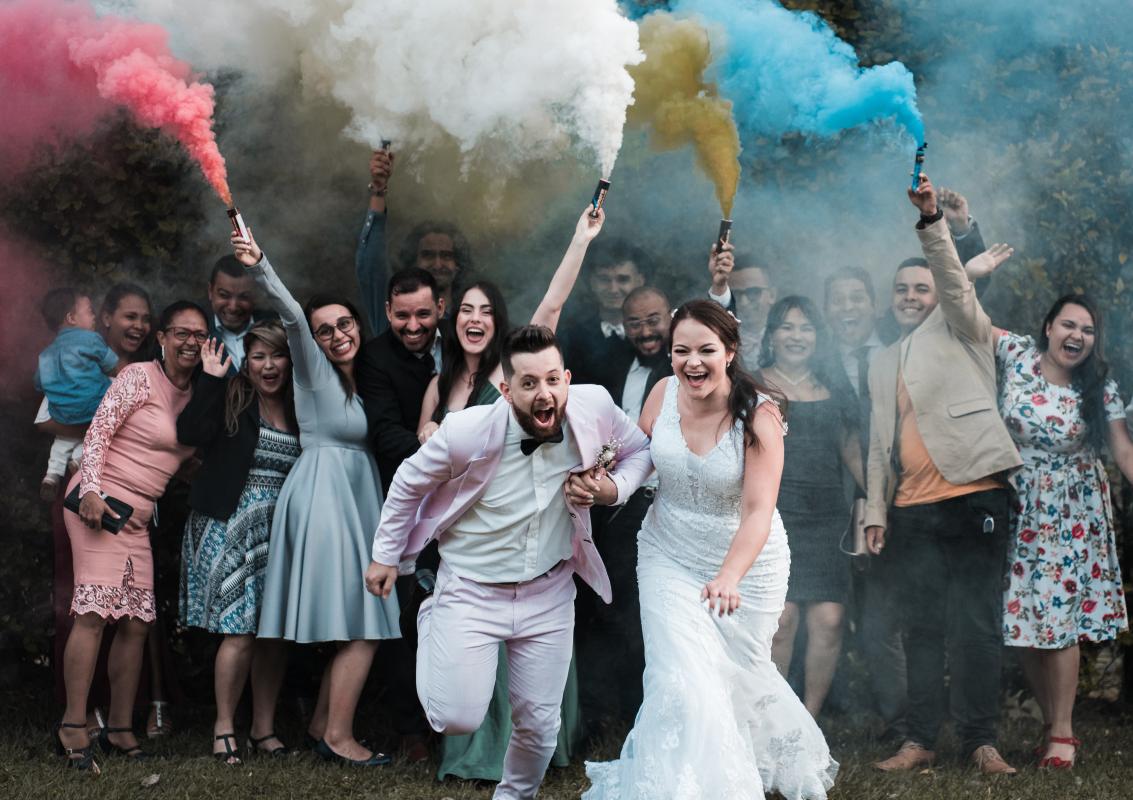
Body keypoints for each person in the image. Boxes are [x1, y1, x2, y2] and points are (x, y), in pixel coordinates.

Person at [366, 324, 653, 800]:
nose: (545, 394)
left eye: (552, 380)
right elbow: (408, 482)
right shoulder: (467, 431)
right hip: (471, 592)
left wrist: (611, 489)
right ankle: (432, 615)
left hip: (551, 591)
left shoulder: (594, 408)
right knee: (456, 717)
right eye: (528, 383)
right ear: (506, 389)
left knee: (540, 723)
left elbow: (640, 452)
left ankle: (515, 796)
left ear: (566, 377)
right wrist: (385, 555)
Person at [581, 299, 836, 799]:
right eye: (681, 351)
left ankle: (746, 767)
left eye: (706, 350)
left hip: (745, 564)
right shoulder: (662, 393)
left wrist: (729, 576)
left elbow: (760, 510)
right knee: (680, 679)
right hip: (667, 554)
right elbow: (639, 459)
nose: (692, 362)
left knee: (739, 679)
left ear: (731, 351)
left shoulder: (759, 414)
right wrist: (609, 488)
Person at [415, 208, 606, 784]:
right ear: (453, 319)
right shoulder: (440, 381)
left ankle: (517, 763)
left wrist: (579, 239)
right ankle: (471, 752)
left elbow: (550, 307)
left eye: (485, 310)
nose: (475, 318)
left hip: (523, 533)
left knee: (524, 656)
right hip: (463, 534)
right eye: (465, 309)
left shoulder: (514, 375)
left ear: (497, 322)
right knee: (467, 665)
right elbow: (418, 453)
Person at [865, 174, 1021, 775]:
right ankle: (919, 741)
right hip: (913, 509)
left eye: (921, 286)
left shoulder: (965, 326)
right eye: (901, 289)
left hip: (976, 494)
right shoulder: (881, 362)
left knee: (976, 626)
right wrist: (878, 512)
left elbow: (956, 282)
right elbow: (879, 442)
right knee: (922, 627)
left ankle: (981, 742)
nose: (910, 295)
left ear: (941, 290)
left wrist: (935, 224)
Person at [231, 228, 400, 766]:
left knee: (362, 619)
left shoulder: (367, 377)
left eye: (344, 324)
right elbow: (292, 317)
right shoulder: (312, 370)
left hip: (356, 495)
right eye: (326, 330)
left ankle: (323, 725)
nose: (336, 335)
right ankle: (339, 737)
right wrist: (261, 264)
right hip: (325, 496)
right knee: (365, 620)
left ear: (358, 325)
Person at [55, 301, 207, 772]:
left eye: (199, 335)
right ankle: (73, 725)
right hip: (98, 505)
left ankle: (120, 727)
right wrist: (92, 492)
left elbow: (180, 459)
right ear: (161, 337)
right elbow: (98, 435)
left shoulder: (199, 395)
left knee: (138, 624)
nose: (189, 342)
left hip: (137, 519)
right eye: (181, 332)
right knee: (94, 612)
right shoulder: (138, 377)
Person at [995, 295, 1132, 769]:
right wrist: (960, 243)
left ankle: (1063, 733)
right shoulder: (1015, 354)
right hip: (1016, 503)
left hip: (1070, 512)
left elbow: (1124, 453)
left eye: (1088, 330)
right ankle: (1052, 723)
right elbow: (962, 310)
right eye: (1068, 325)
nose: (1077, 336)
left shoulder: (1100, 386)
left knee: (1059, 618)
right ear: (1048, 326)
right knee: (1024, 621)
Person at [177, 322, 299, 763]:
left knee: (272, 635)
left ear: (290, 360)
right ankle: (224, 726)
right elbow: (190, 432)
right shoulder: (233, 395)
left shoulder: (300, 404)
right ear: (246, 365)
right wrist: (210, 379)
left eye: (277, 356)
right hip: (228, 524)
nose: (269, 366)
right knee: (240, 631)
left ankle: (264, 729)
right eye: (259, 357)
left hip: (277, 531)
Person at [757, 296, 862, 719]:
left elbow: (853, 453)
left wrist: (877, 505)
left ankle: (808, 720)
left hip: (827, 519)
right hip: (773, 518)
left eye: (805, 327)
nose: (796, 336)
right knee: (780, 623)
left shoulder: (833, 387)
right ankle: (773, 718)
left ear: (818, 337)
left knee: (830, 620)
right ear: (771, 336)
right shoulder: (753, 384)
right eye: (786, 327)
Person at [576, 285, 672, 729]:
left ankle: (642, 713)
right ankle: (599, 712)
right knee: (606, 608)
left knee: (646, 615)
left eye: (654, 320)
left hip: (664, 505)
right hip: (612, 508)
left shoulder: (683, 367)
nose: (646, 331)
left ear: (669, 317)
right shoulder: (612, 364)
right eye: (636, 323)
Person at [355, 148, 472, 331]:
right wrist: (378, 190)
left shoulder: (469, 326)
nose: (438, 263)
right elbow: (371, 265)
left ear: (458, 265)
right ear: (413, 262)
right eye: (428, 255)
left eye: (447, 256)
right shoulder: (392, 318)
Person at [356, 268, 445, 496]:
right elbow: (386, 433)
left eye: (423, 314)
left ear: (441, 308)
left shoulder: (459, 341)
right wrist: (445, 454)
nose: (413, 326)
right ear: (388, 311)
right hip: (407, 488)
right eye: (402, 316)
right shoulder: (373, 358)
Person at [35, 288, 120, 500]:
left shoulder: (45, 355)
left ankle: (52, 474)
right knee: (115, 385)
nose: (94, 317)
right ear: (71, 318)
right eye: (90, 311)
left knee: (62, 437)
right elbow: (112, 364)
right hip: (91, 409)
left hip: (60, 414)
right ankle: (80, 457)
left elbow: (39, 383)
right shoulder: (90, 339)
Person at [558, 238, 645, 387]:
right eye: (604, 279)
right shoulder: (570, 338)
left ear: (639, 281)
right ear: (592, 282)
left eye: (623, 280)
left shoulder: (653, 337)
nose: (613, 289)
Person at [707, 242, 777, 365]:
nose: (744, 302)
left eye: (753, 293)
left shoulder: (789, 337)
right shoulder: (719, 337)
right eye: (736, 294)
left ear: (772, 295)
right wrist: (718, 284)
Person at [206, 255, 276, 373]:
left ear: (256, 295)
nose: (233, 307)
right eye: (224, 295)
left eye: (244, 297)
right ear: (210, 292)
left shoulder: (278, 326)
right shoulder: (197, 332)